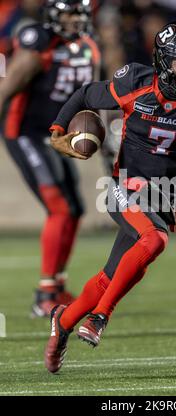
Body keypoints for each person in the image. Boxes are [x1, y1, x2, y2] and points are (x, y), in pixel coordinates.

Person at [44, 21, 176, 373]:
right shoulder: (136, 83)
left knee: (110, 276)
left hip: (161, 198)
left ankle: (63, 321)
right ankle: (100, 317)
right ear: (163, 61)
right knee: (154, 240)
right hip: (123, 185)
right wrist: (57, 132)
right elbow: (85, 94)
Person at [0, 0, 100, 317]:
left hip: (57, 135)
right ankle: (44, 295)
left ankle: (56, 286)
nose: (74, 21)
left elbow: (92, 98)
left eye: (79, 15)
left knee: (75, 208)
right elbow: (5, 89)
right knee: (59, 207)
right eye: (68, 14)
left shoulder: (88, 47)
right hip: (25, 132)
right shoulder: (38, 44)